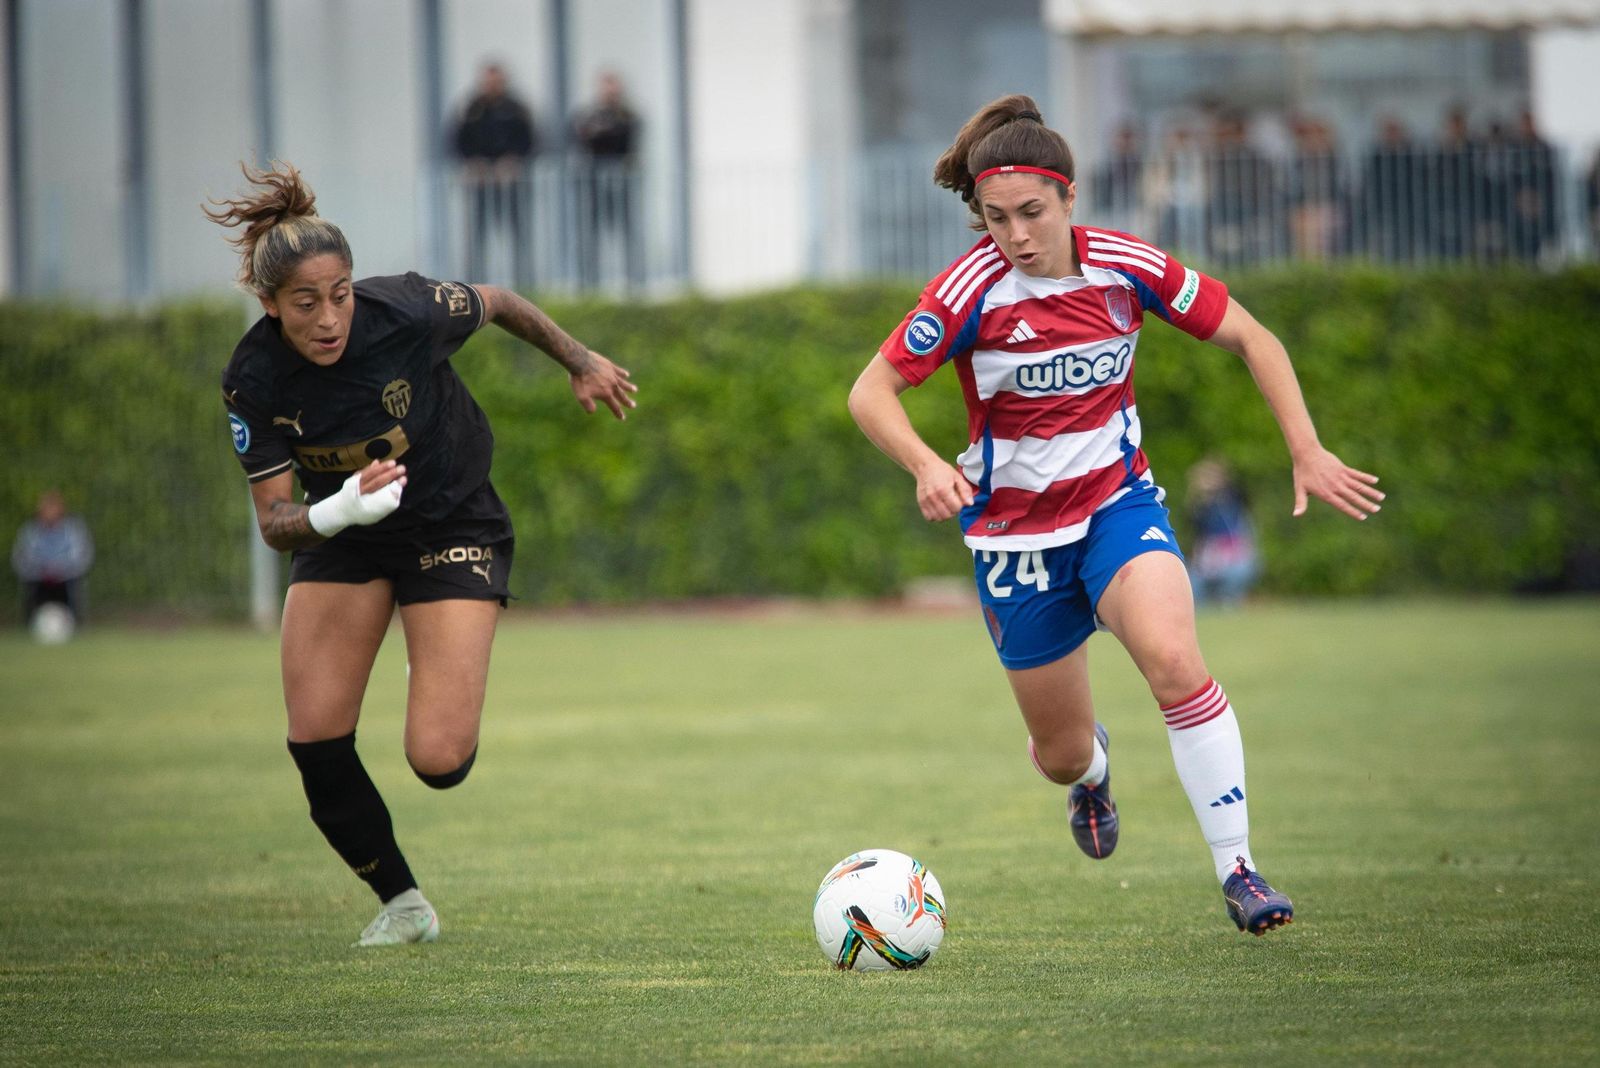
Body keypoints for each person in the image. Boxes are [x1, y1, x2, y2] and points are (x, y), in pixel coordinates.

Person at [847, 95, 1383, 936]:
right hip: (1016, 544)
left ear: (1068, 199)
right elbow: (869, 392)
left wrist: (1306, 448)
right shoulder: (966, 291)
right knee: (1059, 755)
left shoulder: (1125, 265)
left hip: (1116, 509)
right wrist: (923, 464)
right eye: (996, 218)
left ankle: (1238, 868)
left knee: (1174, 658)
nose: (1016, 234)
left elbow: (1254, 337)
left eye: (1031, 212)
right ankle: (1095, 773)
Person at [204, 162, 636, 947]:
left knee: (438, 759)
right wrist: (339, 508)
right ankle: (403, 904)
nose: (330, 317)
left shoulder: (402, 308)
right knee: (314, 739)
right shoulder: (253, 380)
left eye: (338, 295)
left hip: (449, 517)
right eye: (305, 303)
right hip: (344, 536)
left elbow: (500, 302)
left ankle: (429, 649)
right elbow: (276, 522)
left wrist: (581, 360)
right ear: (269, 306)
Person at [453, 63, 538, 286]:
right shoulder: (472, 108)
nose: (491, 86)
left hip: (511, 187)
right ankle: (475, 283)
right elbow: (459, 141)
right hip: (481, 186)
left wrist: (513, 161)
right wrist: (473, 163)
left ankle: (523, 282)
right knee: (478, 235)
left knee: (518, 233)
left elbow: (529, 141)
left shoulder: (516, 108)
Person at [570, 71, 641, 289]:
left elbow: (627, 142)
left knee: (627, 232)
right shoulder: (588, 115)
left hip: (620, 186)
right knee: (590, 233)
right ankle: (589, 281)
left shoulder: (627, 116)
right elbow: (579, 139)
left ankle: (633, 280)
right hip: (594, 187)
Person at [12, 489, 93, 630]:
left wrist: (61, 569)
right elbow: (22, 558)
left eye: (53, 508)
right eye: (46, 508)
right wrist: (42, 570)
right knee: (32, 588)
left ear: (61, 510)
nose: (50, 513)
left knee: (74, 587)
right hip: (38, 577)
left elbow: (81, 555)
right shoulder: (30, 531)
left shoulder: (73, 529)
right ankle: (30, 624)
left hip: (66, 576)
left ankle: (75, 624)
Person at [1184, 458, 1260, 608]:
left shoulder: (1231, 496)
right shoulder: (1199, 504)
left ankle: (1229, 600)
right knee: (1194, 585)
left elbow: (1242, 495)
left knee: (1237, 574)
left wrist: (1220, 486)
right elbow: (1195, 527)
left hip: (1234, 550)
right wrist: (1198, 495)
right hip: (1209, 552)